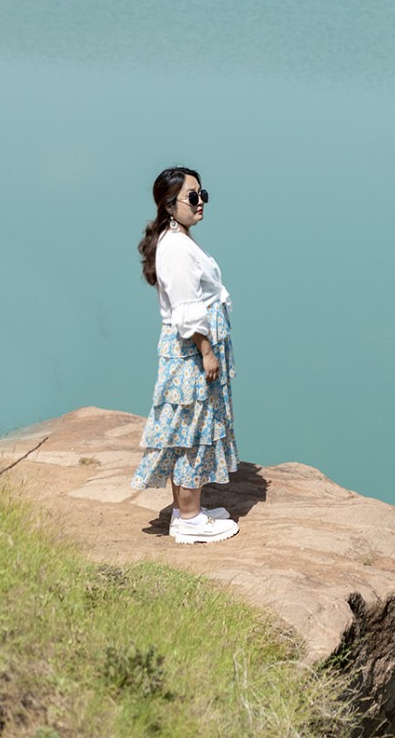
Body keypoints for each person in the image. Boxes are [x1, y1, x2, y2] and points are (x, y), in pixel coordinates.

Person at [130, 165, 240, 543]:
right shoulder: (175, 247)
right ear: (168, 204)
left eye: (202, 194)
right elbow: (186, 308)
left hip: (194, 350)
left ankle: (186, 510)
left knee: (189, 429)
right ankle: (190, 520)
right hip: (192, 353)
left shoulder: (178, 238)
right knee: (192, 433)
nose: (200, 202)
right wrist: (207, 351)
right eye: (192, 197)